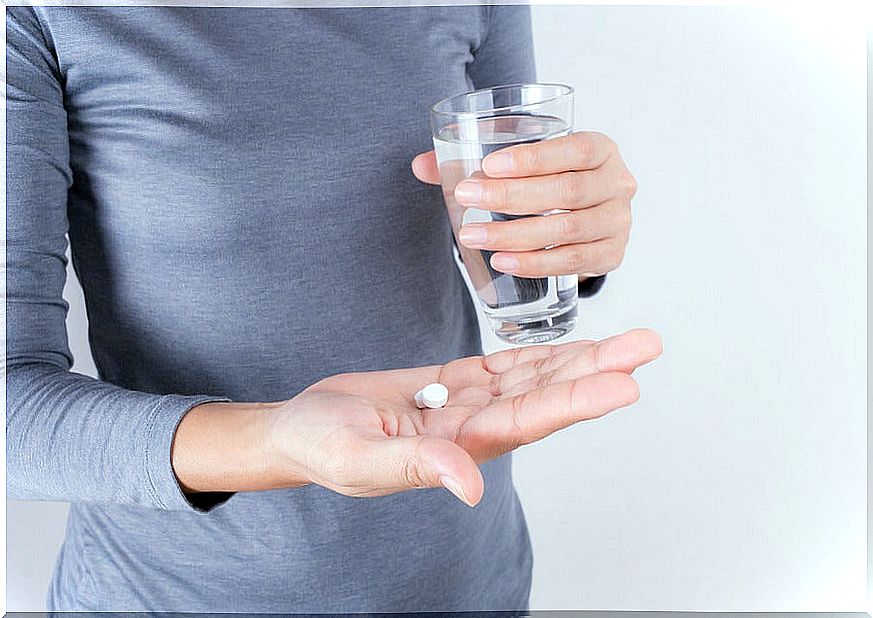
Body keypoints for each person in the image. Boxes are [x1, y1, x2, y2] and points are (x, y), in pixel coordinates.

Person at [7, 4, 661, 613]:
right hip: (176, 594)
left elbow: (501, 215)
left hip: (470, 576)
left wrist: (575, 231)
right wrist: (277, 440)